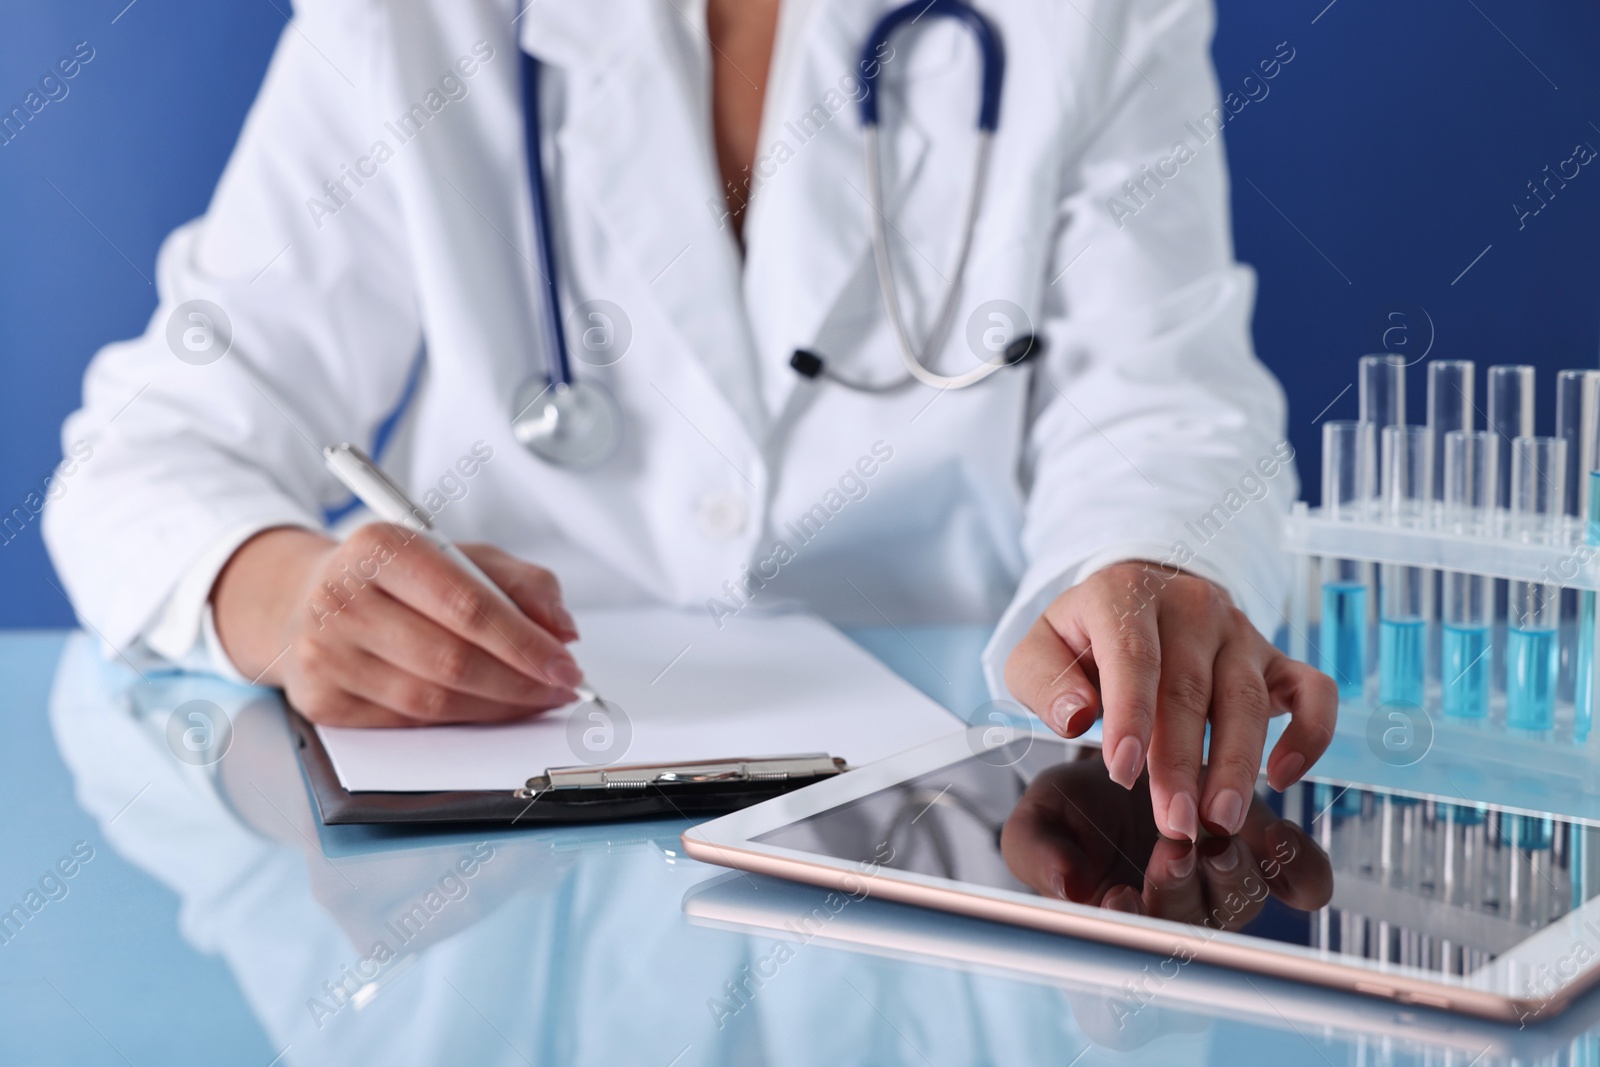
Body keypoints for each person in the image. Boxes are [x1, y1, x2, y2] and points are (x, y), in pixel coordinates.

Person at [43, 0, 1336, 842]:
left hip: (953, 833)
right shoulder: (415, 22)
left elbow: (1164, 404)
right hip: (507, 848)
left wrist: (1152, 566)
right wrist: (293, 600)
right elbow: (144, 451)